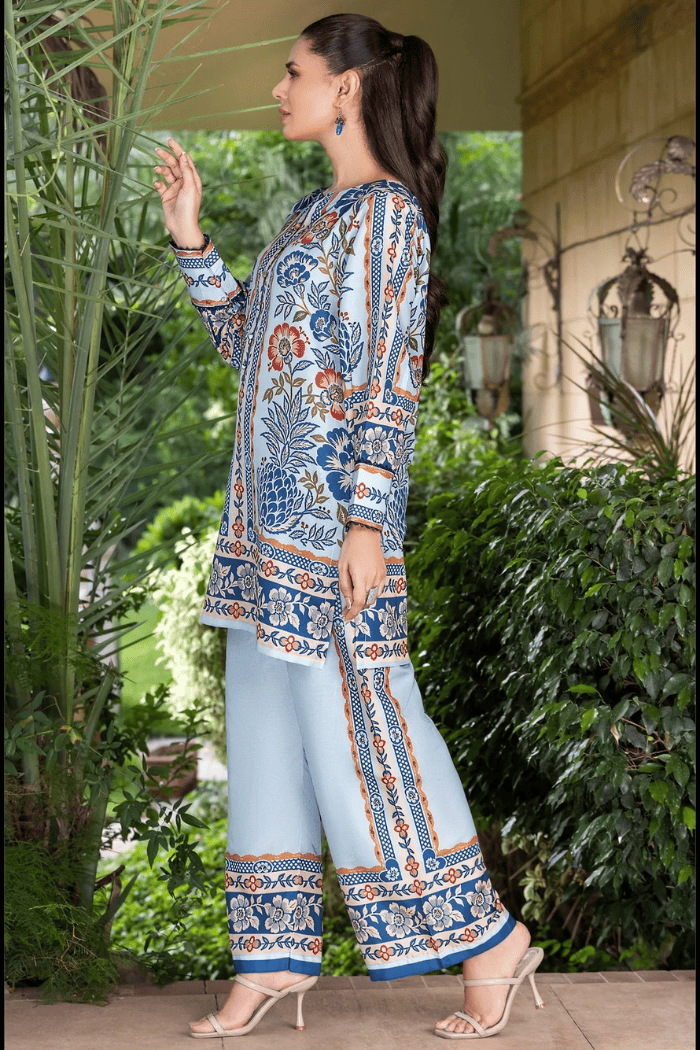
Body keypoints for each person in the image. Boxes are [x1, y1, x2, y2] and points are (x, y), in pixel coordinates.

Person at [153, 12, 543, 1040]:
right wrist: (192, 238)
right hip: (263, 538)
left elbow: (387, 384)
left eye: (293, 74)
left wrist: (367, 521)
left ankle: (490, 941)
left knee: (373, 735)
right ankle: (270, 960)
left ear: (348, 90)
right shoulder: (306, 218)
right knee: (269, 739)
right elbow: (254, 353)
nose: (277, 91)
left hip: (333, 533)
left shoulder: (386, 221)